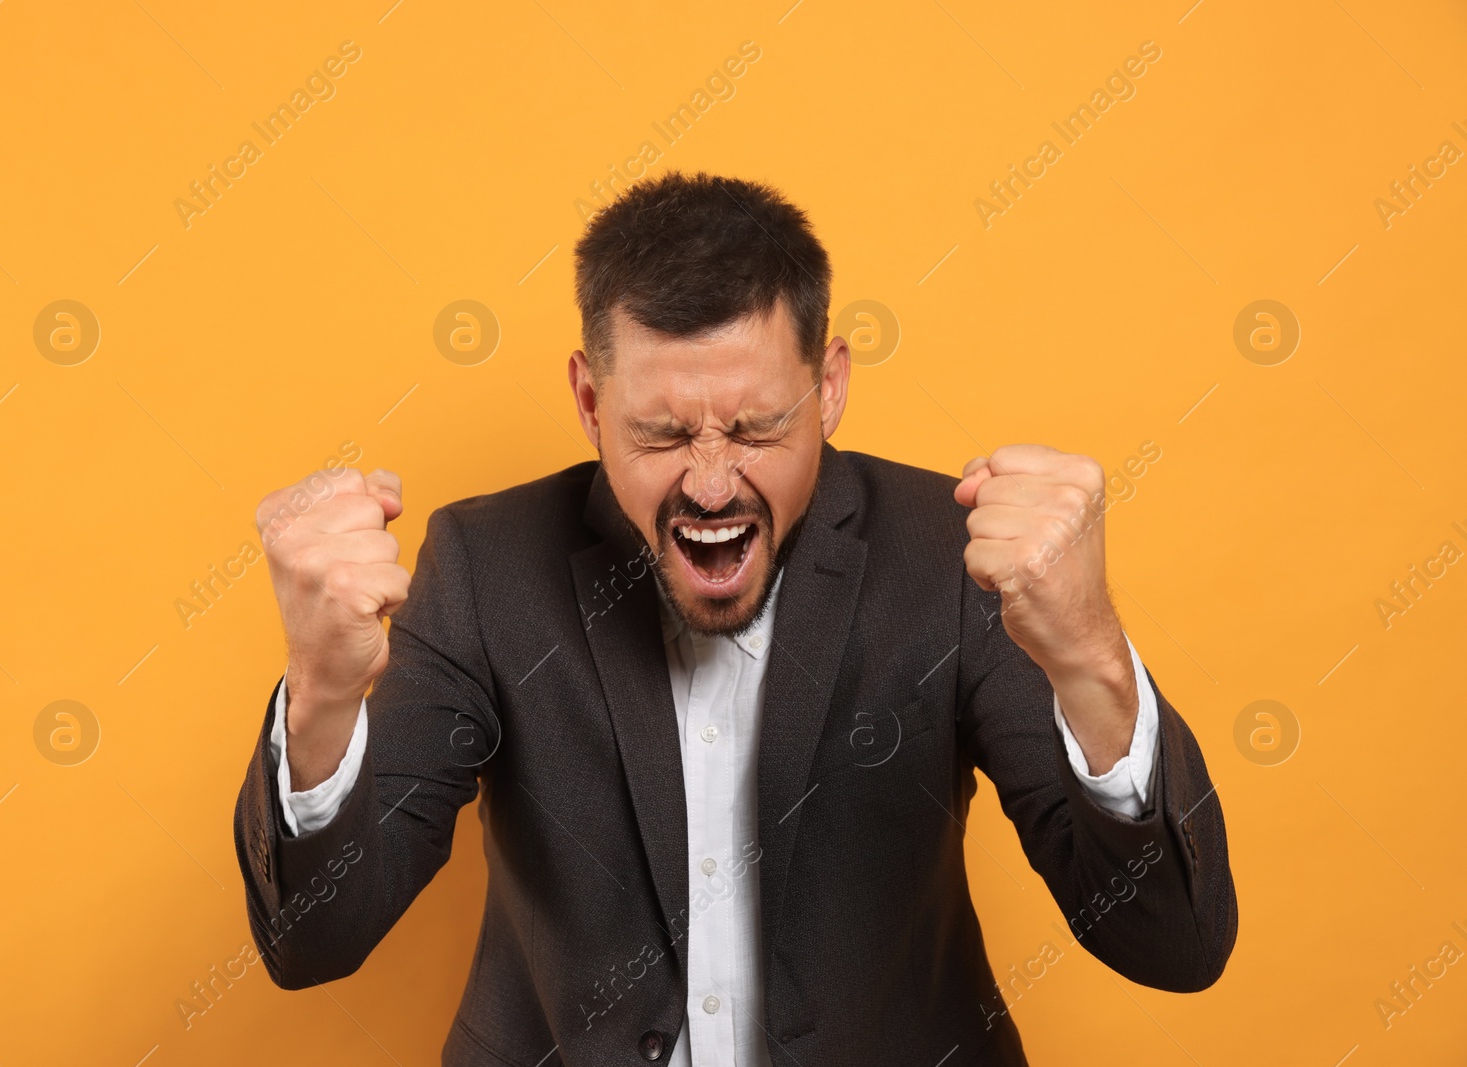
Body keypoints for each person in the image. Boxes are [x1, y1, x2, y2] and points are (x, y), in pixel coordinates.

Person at [233, 171, 1236, 1066]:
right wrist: (321, 691)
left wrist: (1091, 657)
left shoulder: (946, 557)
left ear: (829, 385)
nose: (711, 483)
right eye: (661, 432)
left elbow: (1172, 942)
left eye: (756, 426)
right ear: (589, 400)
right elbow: (316, 940)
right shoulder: (487, 566)